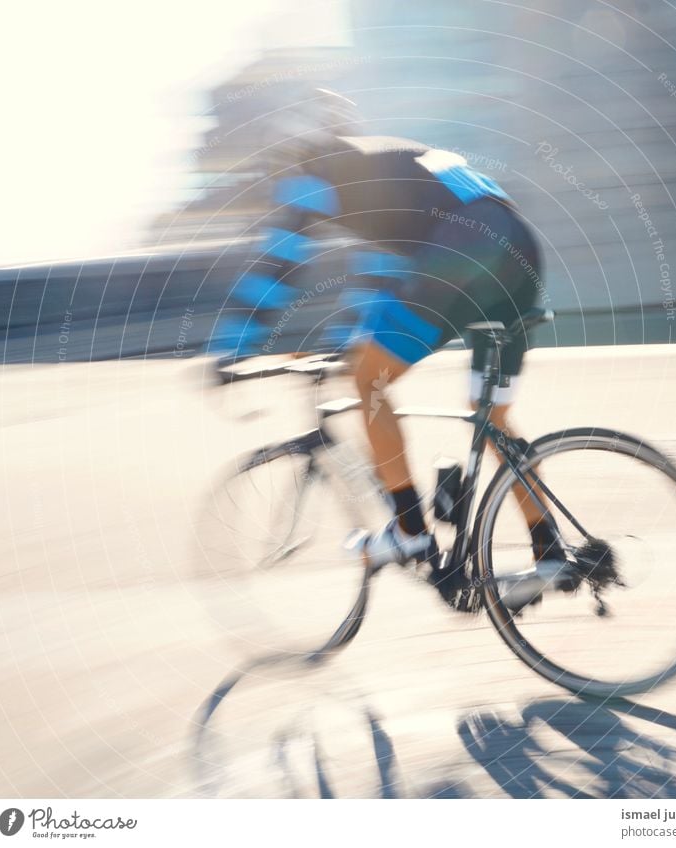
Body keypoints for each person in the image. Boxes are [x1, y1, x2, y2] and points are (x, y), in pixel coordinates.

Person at [210, 87, 560, 611]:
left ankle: (411, 532)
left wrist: (232, 348)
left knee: (368, 383)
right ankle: (553, 553)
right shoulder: (384, 164)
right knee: (493, 418)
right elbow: (382, 276)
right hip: (518, 250)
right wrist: (343, 344)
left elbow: (281, 264)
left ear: (292, 144)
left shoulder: (315, 173)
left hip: (461, 253)